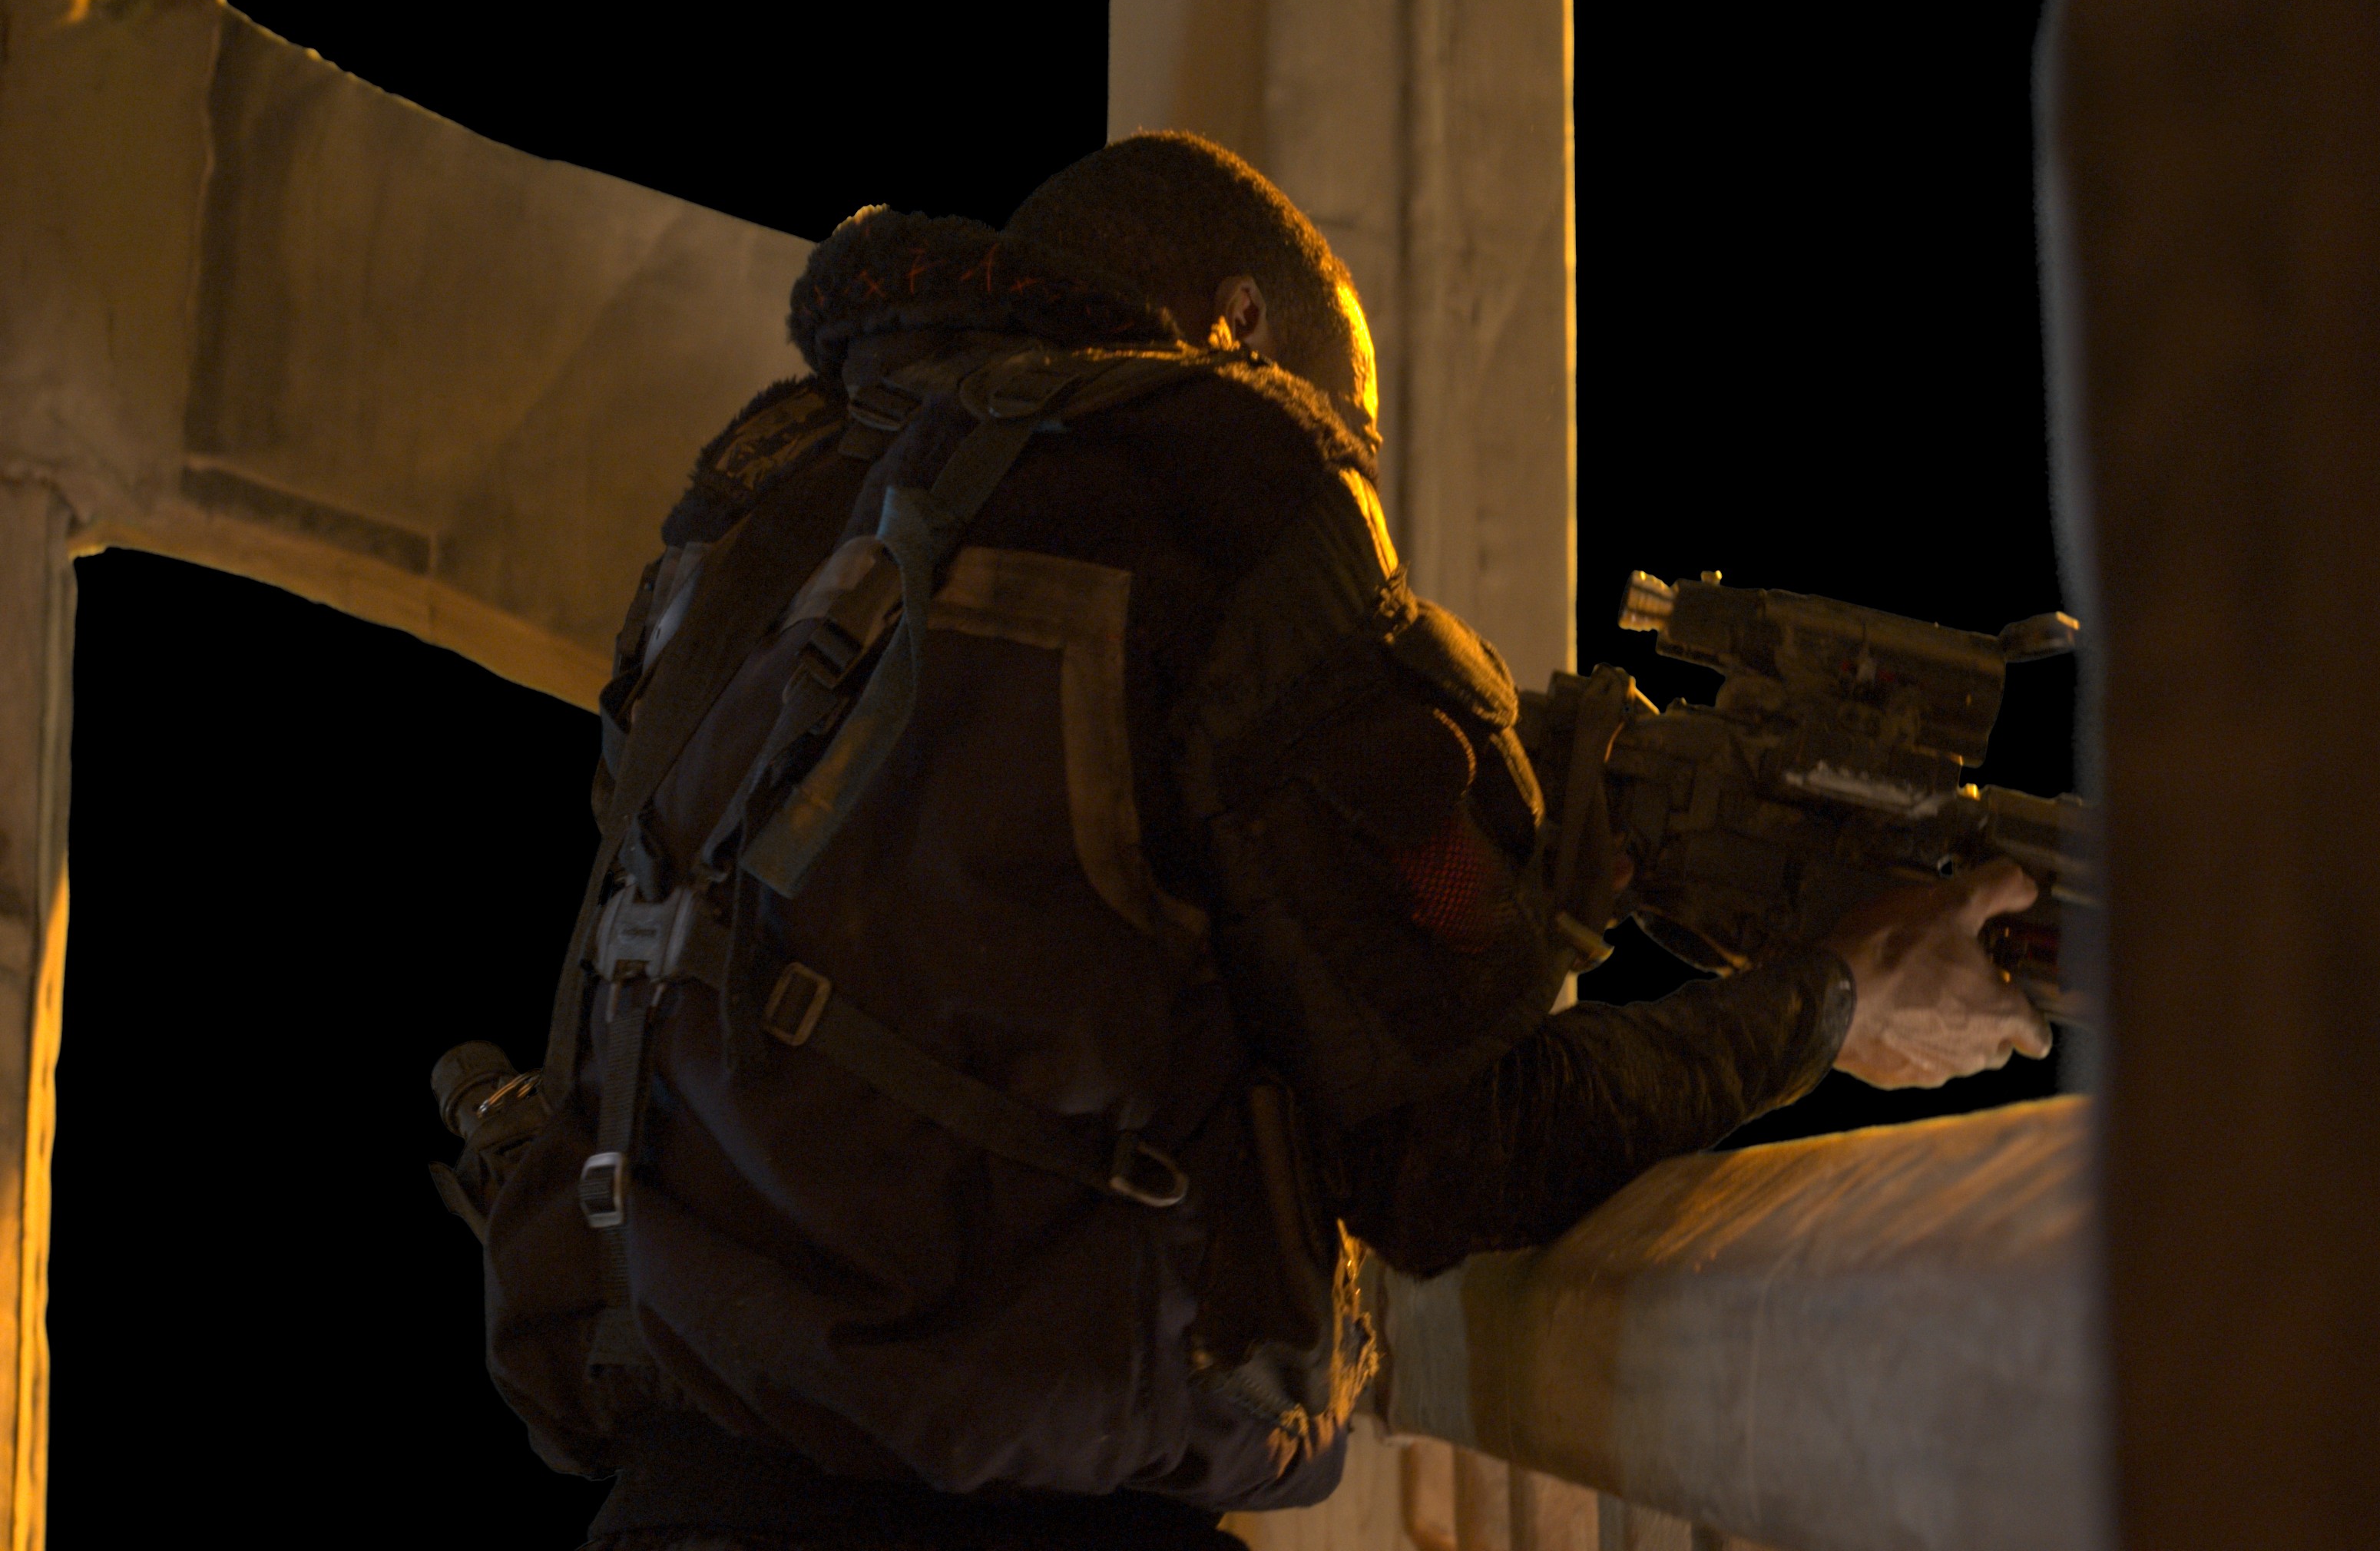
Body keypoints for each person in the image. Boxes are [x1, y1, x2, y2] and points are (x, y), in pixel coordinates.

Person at [439, 132, 2047, 1551]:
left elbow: (1043, 916)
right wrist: (1834, 1000)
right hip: (1008, 1521)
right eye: (1343, 421)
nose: (1345, 465)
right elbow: (1460, 1152)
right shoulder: (1217, 479)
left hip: (674, 1491)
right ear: (1241, 326)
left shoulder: (766, 508)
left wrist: (1527, 874)